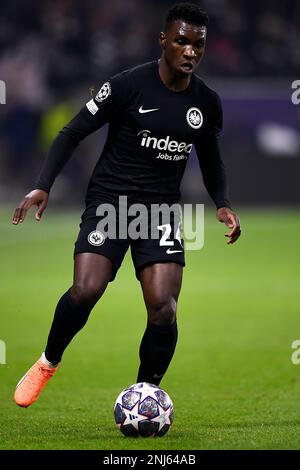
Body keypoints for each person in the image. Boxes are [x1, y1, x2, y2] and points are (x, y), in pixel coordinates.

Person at [13, 2, 241, 408]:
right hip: (110, 204)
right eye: (182, 42)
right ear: (164, 41)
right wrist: (42, 185)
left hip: (162, 214)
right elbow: (70, 133)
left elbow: (210, 158)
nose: (190, 52)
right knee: (86, 291)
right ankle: (48, 361)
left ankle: (146, 393)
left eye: (198, 46)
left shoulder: (206, 102)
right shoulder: (127, 85)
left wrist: (221, 203)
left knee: (163, 309)